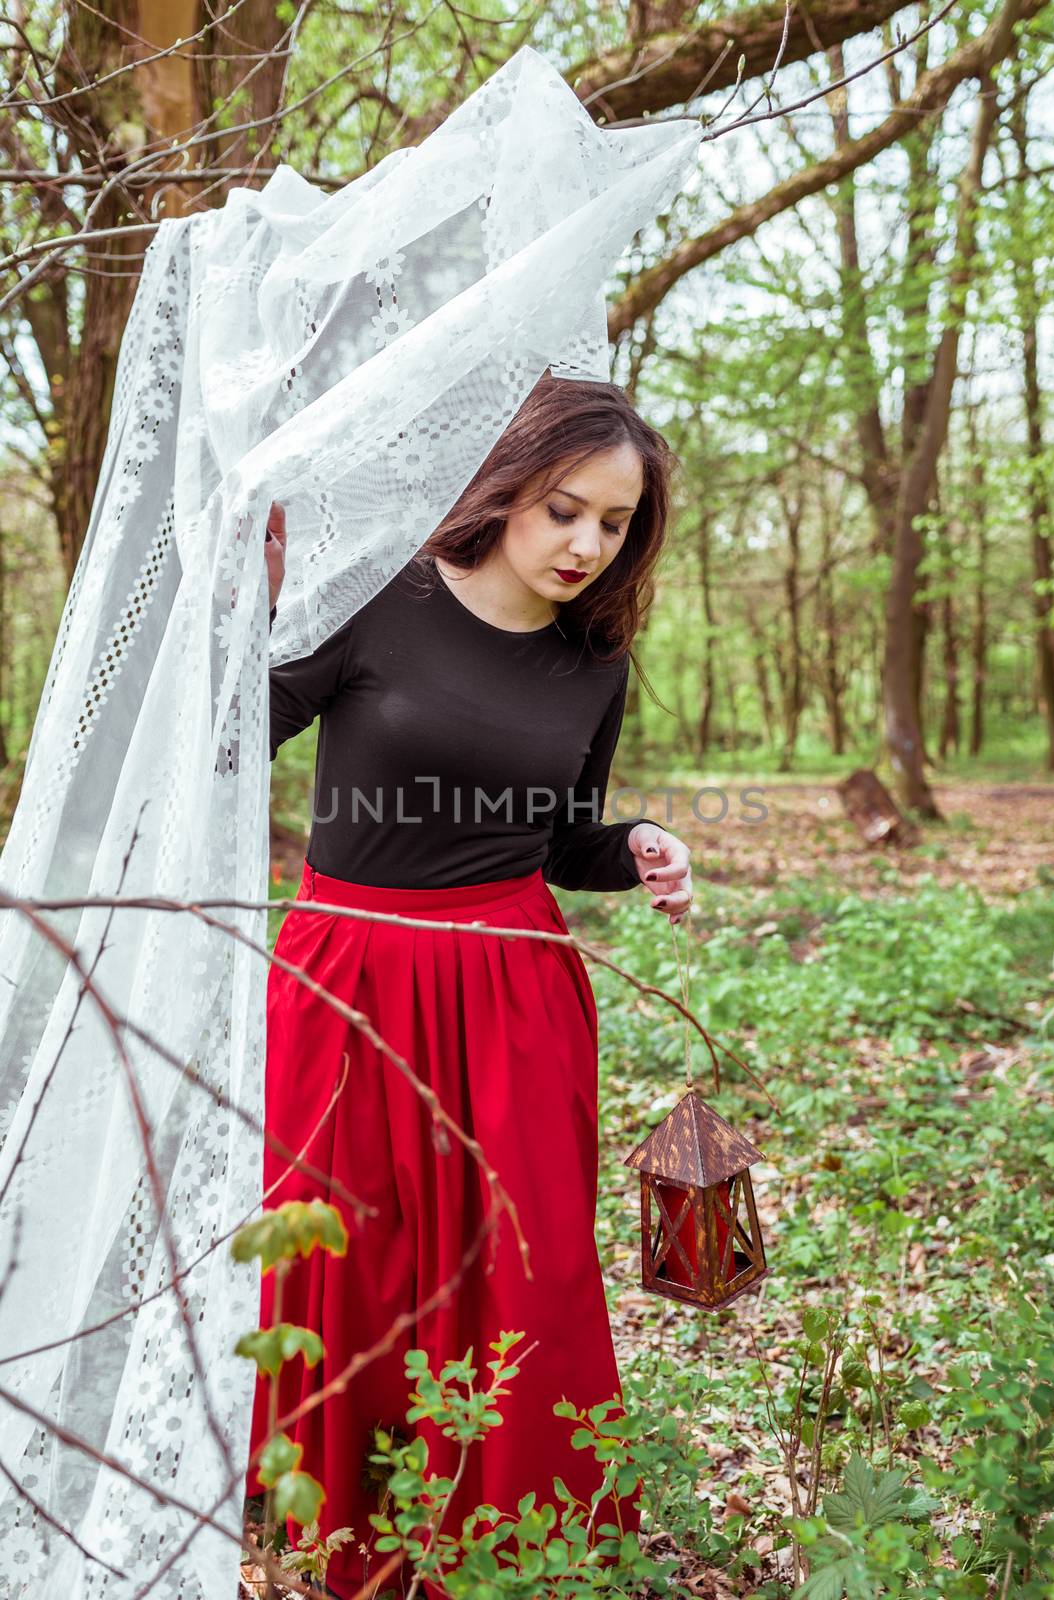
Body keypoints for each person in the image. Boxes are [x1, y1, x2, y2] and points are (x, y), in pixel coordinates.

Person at [244, 373, 694, 1598]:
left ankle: (516, 1526)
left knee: (523, 1259)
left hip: (513, 992)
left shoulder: (591, 666)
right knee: (356, 1250)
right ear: (506, 487)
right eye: (565, 509)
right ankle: (348, 1522)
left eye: (613, 523)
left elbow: (556, 842)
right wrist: (248, 589)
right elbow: (226, 738)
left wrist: (640, 843)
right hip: (349, 977)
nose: (586, 545)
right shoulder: (378, 602)